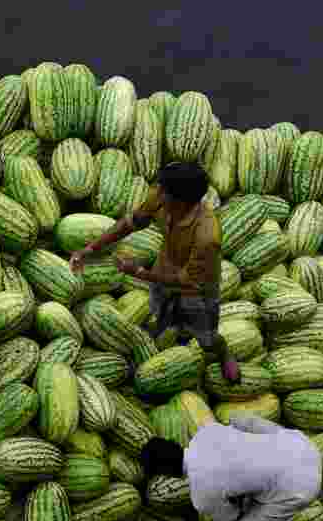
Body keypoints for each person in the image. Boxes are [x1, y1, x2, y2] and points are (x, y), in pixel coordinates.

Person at [69, 162, 240, 382]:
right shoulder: (161, 199)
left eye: (162, 190)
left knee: (205, 335)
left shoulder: (207, 235)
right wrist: (90, 249)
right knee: (161, 316)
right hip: (164, 268)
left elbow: (187, 282)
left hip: (196, 287)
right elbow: (130, 223)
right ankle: (166, 346)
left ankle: (224, 353)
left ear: (181, 202)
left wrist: (138, 271)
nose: (156, 193)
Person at [139, 415, 322, 521]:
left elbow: (234, 519)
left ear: (167, 474)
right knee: (243, 421)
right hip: (304, 445)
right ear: (174, 443)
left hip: (303, 486)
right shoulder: (205, 433)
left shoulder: (201, 497)